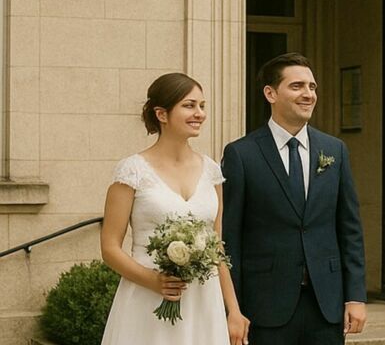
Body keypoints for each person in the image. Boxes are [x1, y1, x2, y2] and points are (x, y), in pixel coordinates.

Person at [221, 53, 366, 345]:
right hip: (265, 306)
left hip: (326, 304)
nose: (308, 94)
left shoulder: (334, 150)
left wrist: (355, 296)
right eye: (297, 86)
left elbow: (349, 229)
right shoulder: (241, 154)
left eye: (312, 87)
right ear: (270, 93)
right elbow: (229, 237)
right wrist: (231, 309)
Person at [100, 73, 249, 345]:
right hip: (147, 296)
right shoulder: (132, 171)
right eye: (189, 105)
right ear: (162, 114)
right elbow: (110, 248)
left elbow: (216, 246)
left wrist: (234, 310)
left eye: (202, 106)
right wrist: (153, 280)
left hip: (203, 300)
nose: (200, 113)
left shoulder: (212, 171)